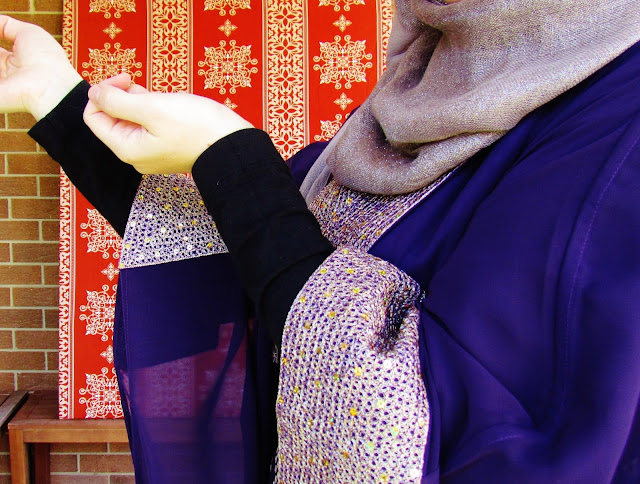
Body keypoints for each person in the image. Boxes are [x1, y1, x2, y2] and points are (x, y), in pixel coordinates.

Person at [0, 0, 639, 482]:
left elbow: (456, 436)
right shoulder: (426, 92)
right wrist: (54, 95)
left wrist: (231, 158)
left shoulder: (618, 128)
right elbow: (255, 255)